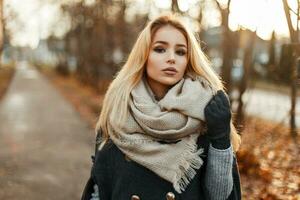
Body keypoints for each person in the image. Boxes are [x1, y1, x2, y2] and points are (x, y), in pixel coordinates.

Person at [90, 14, 242, 200]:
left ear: (188, 59)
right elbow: (99, 188)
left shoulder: (206, 110)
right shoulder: (118, 109)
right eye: (160, 49)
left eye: (180, 52)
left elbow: (219, 196)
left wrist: (220, 138)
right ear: (144, 55)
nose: (171, 58)